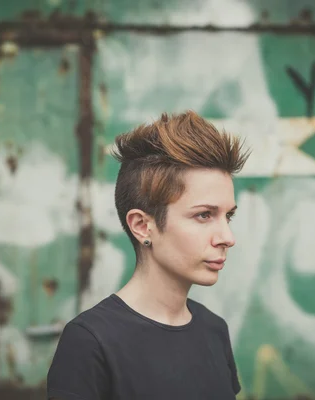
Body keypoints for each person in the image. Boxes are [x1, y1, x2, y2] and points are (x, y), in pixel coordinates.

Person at [46, 110, 250, 399]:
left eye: (227, 216)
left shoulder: (213, 329)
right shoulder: (90, 341)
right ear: (143, 226)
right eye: (204, 215)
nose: (227, 238)